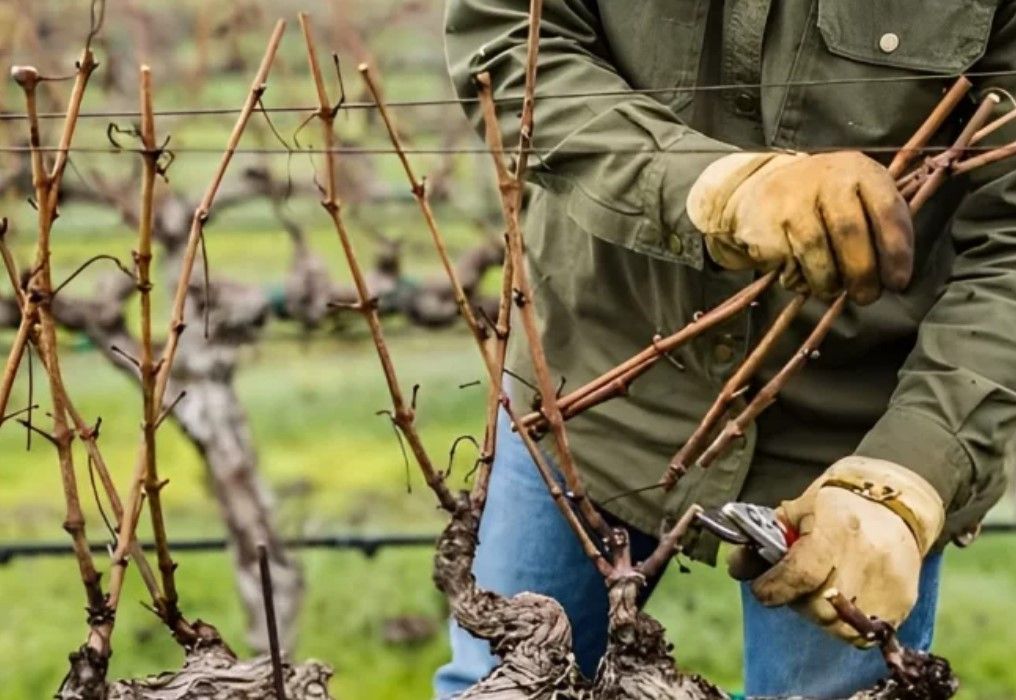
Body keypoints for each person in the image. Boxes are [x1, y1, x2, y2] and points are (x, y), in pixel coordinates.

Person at [437, 1, 1016, 697]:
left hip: (853, 431)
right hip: (587, 384)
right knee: (505, 681)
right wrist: (711, 187)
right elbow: (510, 42)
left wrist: (908, 476)